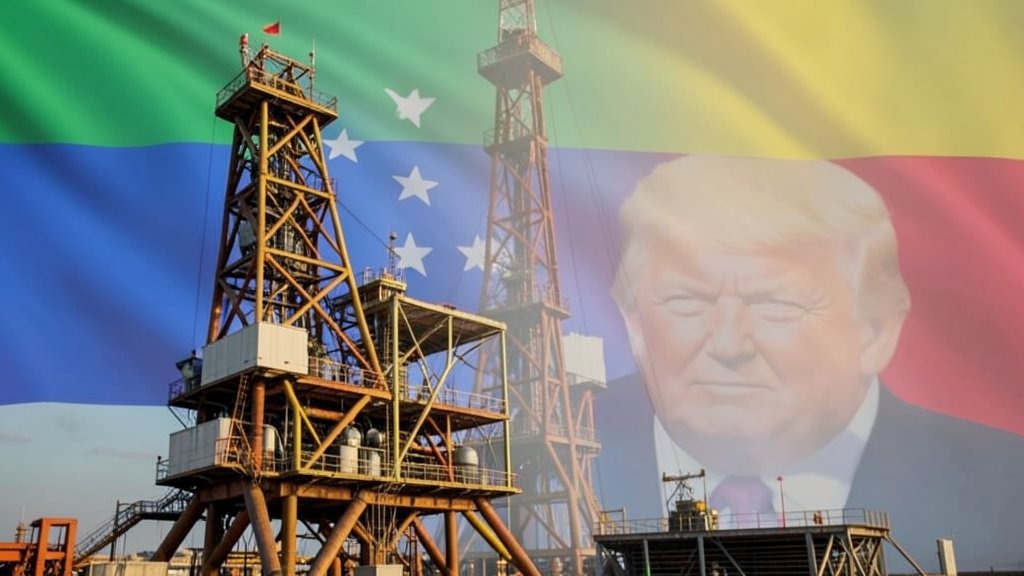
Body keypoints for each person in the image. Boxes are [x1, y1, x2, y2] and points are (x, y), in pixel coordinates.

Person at [596, 155, 1024, 570]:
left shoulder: (1009, 482)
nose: (729, 345)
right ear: (631, 318)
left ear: (876, 330)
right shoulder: (558, 448)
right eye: (685, 300)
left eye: (775, 304)